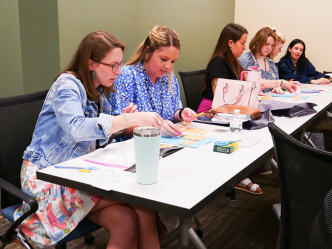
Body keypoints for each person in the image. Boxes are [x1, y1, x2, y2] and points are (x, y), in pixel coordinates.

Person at [13, 31, 165, 249]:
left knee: (127, 220)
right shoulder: (68, 84)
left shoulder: (99, 95)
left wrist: (118, 122)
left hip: (77, 173)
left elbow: (95, 141)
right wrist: (126, 119)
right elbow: (77, 128)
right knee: (142, 203)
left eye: (120, 64)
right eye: (112, 65)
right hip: (47, 178)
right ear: (90, 63)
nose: (118, 71)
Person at [198, 23, 262, 195]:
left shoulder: (231, 62)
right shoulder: (218, 62)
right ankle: (238, 175)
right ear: (230, 42)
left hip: (228, 109)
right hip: (211, 110)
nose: (244, 47)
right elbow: (221, 97)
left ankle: (241, 173)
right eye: (242, 43)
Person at [110, 26, 197, 138]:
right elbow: (119, 126)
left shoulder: (170, 78)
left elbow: (173, 113)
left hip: (166, 144)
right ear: (147, 52)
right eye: (164, 59)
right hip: (135, 146)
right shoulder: (126, 76)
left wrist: (181, 113)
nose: (168, 66)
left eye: (173, 61)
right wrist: (156, 128)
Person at [238, 27, 298, 94]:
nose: (269, 48)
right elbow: (253, 82)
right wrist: (280, 83)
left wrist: (276, 87)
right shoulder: (246, 60)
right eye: (267, 44)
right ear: (257, 42)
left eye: (272, 45)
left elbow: (275, 82)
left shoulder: (270, 63)